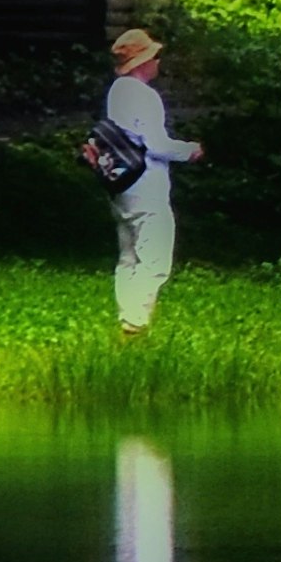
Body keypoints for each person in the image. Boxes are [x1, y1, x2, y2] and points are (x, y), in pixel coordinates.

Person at [98, 30, 202, 336]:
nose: (158, 61)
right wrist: (188, 150)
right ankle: (135, 323)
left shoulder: (117, 91)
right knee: (154, 258)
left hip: (121, 184)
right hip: (147, 185)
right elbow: (154, 144)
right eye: (154, 56)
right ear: (143, 61)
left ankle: (126, 319)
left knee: (128, 255)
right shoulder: (144, 95)